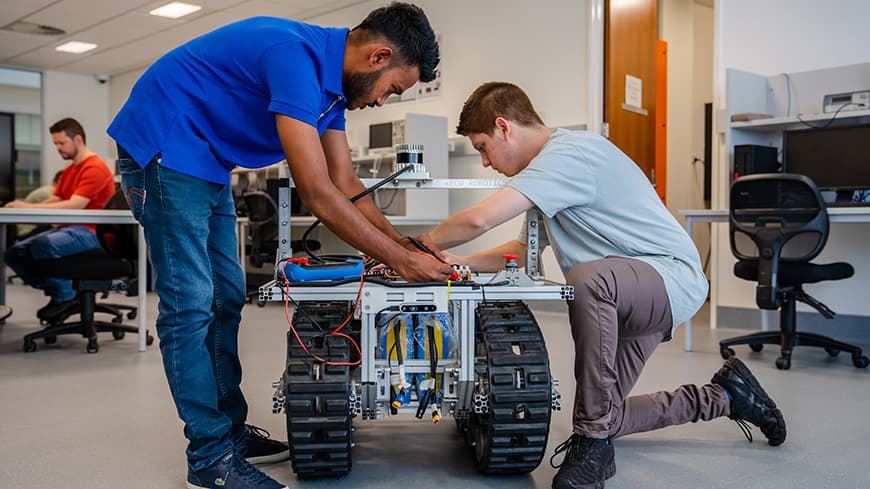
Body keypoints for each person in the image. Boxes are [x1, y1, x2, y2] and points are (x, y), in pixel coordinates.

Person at [107, 4, 453, 489]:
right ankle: (209, 458)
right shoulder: (294, 57)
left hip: (206, 160)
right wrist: (398, 262)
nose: (381, 101)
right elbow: (316, 192)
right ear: (379, 57)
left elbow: (345, 181)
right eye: (392, 89)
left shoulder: (332, 93)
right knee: (190, 306)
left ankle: (228, 431)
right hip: (166, 150)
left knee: (226, 295)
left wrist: (403, 246)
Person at [417, 82, 787, 489]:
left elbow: (477, 220)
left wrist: (413, 248)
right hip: (622, 294)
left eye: (483, 147)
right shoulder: (547, 175)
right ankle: (728, 396)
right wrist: (457, 262)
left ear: (504, 128)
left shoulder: (568, 155)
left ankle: (592, 444)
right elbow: (526, 250)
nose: (485, 162)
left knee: (587, 284)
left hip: (667, 279)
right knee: (607, 413)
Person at [4, 118, 115, 321]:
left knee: (42, 244)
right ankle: (64, 292)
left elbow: (75, 205)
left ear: (78, 139)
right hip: (69, 229)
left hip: (92, 232)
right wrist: (22, 206)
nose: (58, 148)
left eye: (61, 143)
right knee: (14, 254)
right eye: (55, 143)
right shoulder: (69, 170)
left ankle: (65, 295)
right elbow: (54, 199)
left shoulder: (94, 168)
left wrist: (27, 207)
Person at [15, 170, 63, 239]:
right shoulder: (48, 193)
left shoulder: (48, 190)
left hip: (32, 228)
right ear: (60, 180)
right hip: (28, 231)